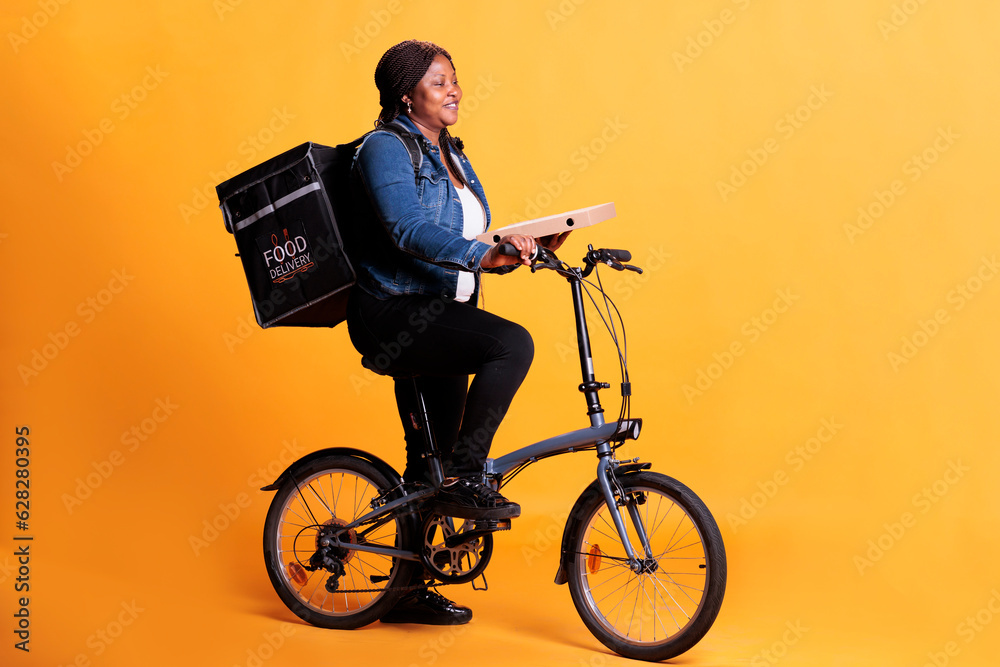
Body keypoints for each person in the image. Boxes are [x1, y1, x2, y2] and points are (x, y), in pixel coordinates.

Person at [345, 40, 567, 625]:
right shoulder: (384, 148)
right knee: (511, 343)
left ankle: (406, 590)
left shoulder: (454, 156)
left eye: (455, 80)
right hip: (392, 312)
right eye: (439, 81)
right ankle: (472, 476)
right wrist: (480, 254)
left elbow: (468, 232)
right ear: (405, 93)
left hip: (437, 310)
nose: (454, 90)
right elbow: (407, 229)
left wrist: (524, 247)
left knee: (430, 463)